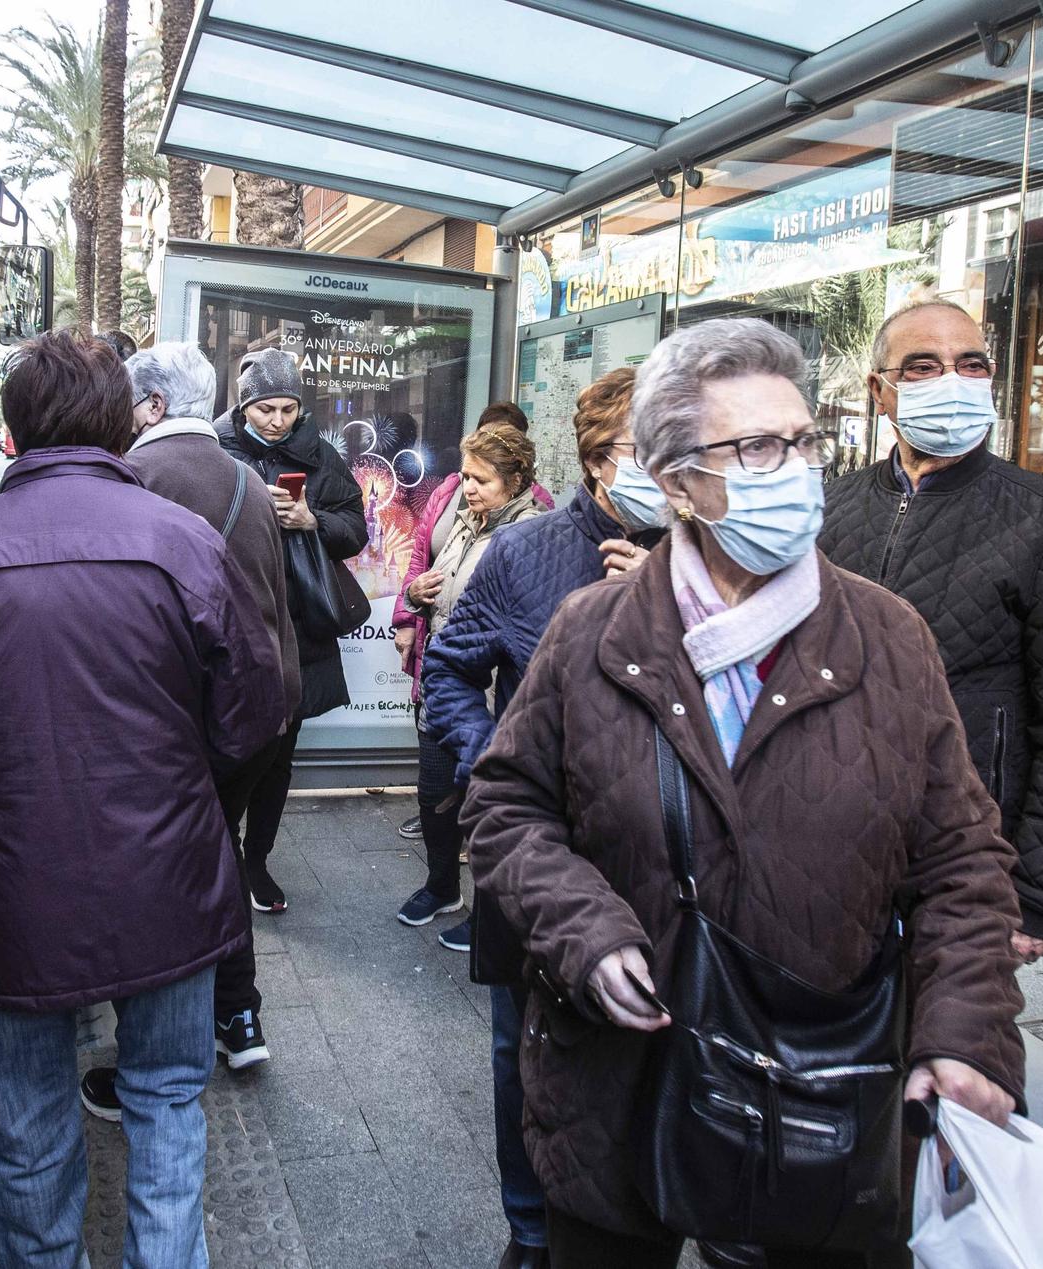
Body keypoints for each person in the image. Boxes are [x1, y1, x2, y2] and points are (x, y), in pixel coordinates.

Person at [462, 318, 1026, 1267]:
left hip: (814, 1096)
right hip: (616, 1087)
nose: (796, 467)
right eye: (758, 446)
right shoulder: (590, 630)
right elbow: (506, 804)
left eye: (802, 440)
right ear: (678, 480)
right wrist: (585, 930)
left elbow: (962, 861)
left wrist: (965, 1032)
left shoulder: (889, 636)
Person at [0, 331, 289, 1269]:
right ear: (123, 423)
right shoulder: (184, 545)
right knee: (165, 1105)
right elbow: (252, 712)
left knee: (25, 1126)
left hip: (10, 884)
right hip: (169, 882)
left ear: (12, 427)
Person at [421, 367, 667, 1268]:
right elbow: (450, 666)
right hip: (540, 854)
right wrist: (494, 761)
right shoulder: (526, 555)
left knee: (661, 1043)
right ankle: (530, 1229)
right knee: (519, 1046)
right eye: (650, 449)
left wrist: (674, 593)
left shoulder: (727, 559)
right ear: (601, 463)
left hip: (675, 866)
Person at [821, 300, 1043, 965]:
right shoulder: (832, 509)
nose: (952, 381)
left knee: (953, 1053)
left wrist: (1040, 893)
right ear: (881, 391)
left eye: (970, 364)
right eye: (923, 367)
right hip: (827, 849)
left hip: (963, 867)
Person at [109, 341, 299, 1086]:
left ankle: (163, 1048)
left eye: (129, 404)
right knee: (217, 851)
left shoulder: (131, 478)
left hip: (177, 721)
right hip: (257, 714)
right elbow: (275, 605)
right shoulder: (250, 483)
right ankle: (239, 1012)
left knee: (169, 873)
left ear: (153, 406)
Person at [216, 347, 366, 914]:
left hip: (297, 622)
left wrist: (312, 521)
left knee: (280, 754)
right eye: (265, 409)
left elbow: (354, 529)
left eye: (287, 409)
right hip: (232, 616)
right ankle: (220, 854)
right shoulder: (215, 447)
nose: (277, 421)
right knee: (228, 746)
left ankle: (257, 861)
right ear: (243, 405)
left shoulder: (320, 455)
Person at [393, 423, 543, 934]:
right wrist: (415, 597)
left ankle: (492, 917)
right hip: (445, 685)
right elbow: (430, 576)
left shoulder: (530, 535)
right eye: (465, 476)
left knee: (487, 805)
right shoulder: (464, 520)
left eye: (481, 480)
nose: (469, 488)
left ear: (517, 479)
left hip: (492, 696)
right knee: (434, 793)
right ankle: (441, 887)